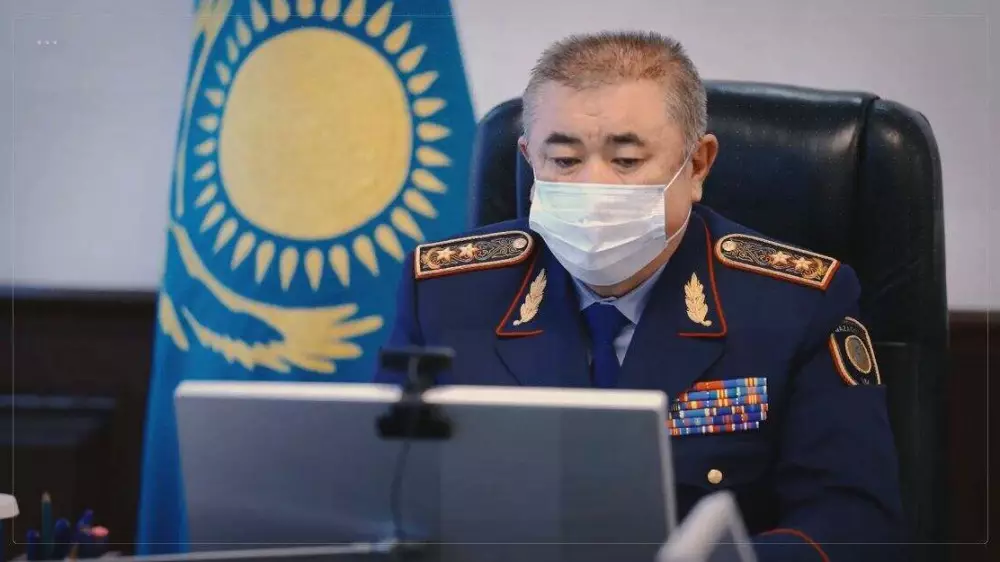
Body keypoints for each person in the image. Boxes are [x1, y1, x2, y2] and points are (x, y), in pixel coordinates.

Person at [376, 31, 903, 561]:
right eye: (564, 160)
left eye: (626, 160)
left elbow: (853, 525)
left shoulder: (797, 303)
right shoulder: (446, 293)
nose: (592, 187)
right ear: (529, 158)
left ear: (697, 165)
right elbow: (385, 498)